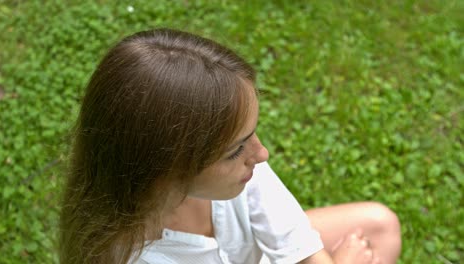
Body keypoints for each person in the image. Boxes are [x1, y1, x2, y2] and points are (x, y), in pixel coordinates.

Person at [59, 28, 401, 264]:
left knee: (378, 226)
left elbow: (295, 239)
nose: (261, 154)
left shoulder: (239, 168)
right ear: (165, 170)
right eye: (236, 150)